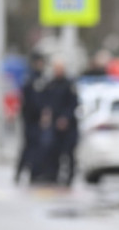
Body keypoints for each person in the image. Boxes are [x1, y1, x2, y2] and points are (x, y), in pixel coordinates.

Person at [34, 57, 79, 185]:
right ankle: (53, 175)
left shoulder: (69, 85)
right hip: (54, 125)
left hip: (69, 126)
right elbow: (46, 103)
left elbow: (73, 104)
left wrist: (65, 118)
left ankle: (69, 178)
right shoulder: (51, 84)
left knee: (69, 153)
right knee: (53, 151)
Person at [14, 52, 46, 184]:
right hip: (29, 118)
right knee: (28, 147)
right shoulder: (30, 78)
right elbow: (28, 100)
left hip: (39, 119)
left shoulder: (41, 78)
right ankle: (20, 172)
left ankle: (34, 174)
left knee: (37, 147)